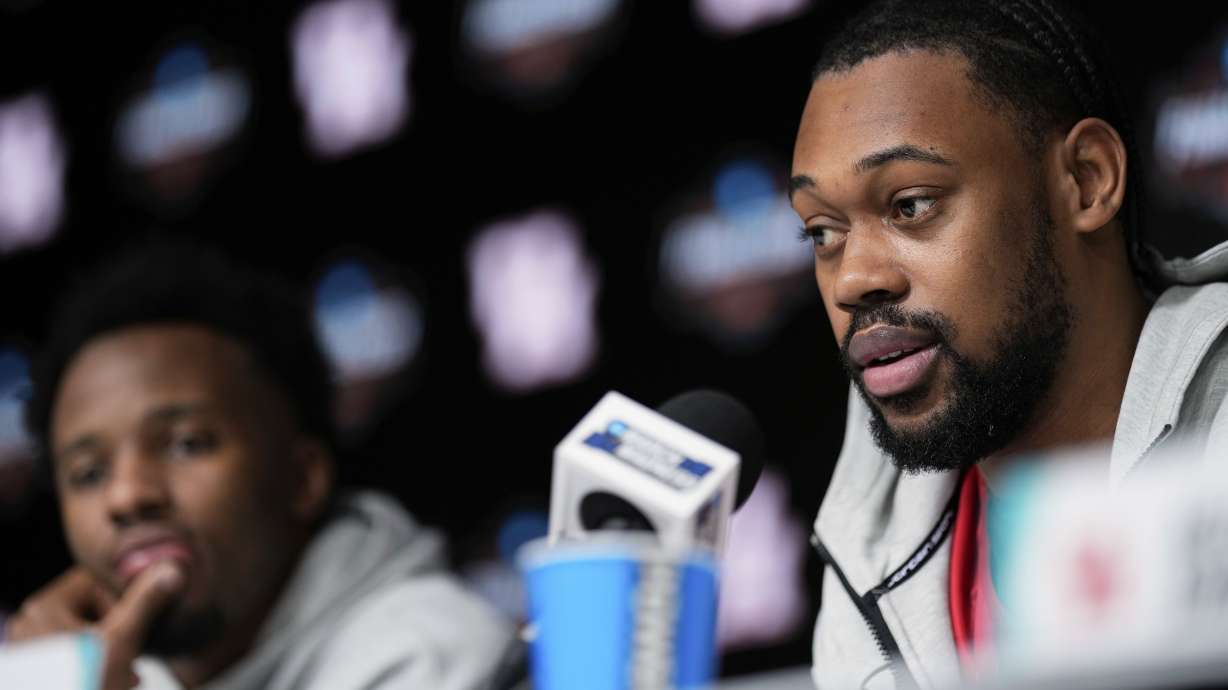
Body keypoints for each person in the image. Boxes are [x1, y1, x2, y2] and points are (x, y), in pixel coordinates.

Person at [789, 0, 1228, 687]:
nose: (852, 279)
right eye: (821, 231)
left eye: (911, 204)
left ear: (1086, 180)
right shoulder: (867, 538)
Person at [3, 241, 514, 690]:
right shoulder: (119, 675)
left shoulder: (431, 657)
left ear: (303, 478)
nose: (127, 495)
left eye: (186, 444)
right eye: (88, 474)